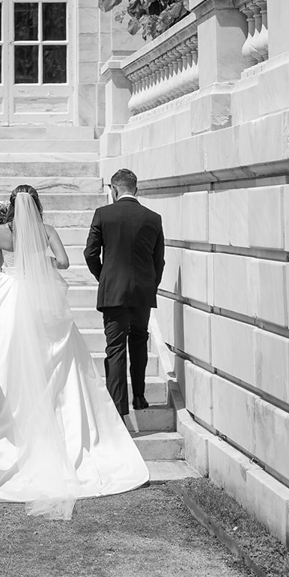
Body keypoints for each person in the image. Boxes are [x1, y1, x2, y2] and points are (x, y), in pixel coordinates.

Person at [0, 184, 149, 520]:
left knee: (5, 359)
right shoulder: (47, 231)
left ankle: (11, 420)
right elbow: (63, 261)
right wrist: (39, 256)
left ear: (11, 207)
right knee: (55, 363)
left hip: (10, 300)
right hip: (41, 302)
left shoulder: (0, 232)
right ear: (38, 206)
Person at [84, 168, 165, 417]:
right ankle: (139, 397)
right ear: (135, 189)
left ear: (114, 189)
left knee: (116, 347)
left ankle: (119, 409)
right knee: (139, 341)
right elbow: (159, 260)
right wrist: (149, 285)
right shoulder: (153, 217)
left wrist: (104, 277)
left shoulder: (103, 214)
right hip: (142, 292)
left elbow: (90, 253)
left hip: (114, 292)